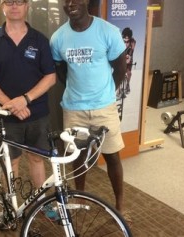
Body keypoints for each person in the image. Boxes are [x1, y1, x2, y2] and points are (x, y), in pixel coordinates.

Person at [50, 0, 127, 215]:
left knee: (112, 156)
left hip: (104, 107)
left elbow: (121, 69)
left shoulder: (108, 31)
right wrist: (78, 92)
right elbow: (61, 71)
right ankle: (79, 197)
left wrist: (105, 92)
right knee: (78, 157)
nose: (71, 3)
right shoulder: (58, 38)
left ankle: (120, 205)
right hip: (74, 108)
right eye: (66, 0)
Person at [0, 0, 56, 194]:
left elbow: (51, 77)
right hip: (7, 115)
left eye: (19, 1)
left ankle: (41, 203)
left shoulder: (40, 40)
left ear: (27, 6)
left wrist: (25, 99)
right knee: (11, 161)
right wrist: (10, 104)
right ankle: (10, 206)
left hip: (37, 113)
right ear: (2, 7)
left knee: (36, 158)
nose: (14, 6)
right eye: (9, 1)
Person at [122, 27, 136, 94]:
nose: (126, 39)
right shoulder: (120, 40)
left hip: (129, 58)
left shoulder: (133, 41)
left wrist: (129, 56)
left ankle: (127, 84)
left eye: (128, 38)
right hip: (121, 57)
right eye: (125, 37)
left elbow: (132, 50)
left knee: (129, 73)